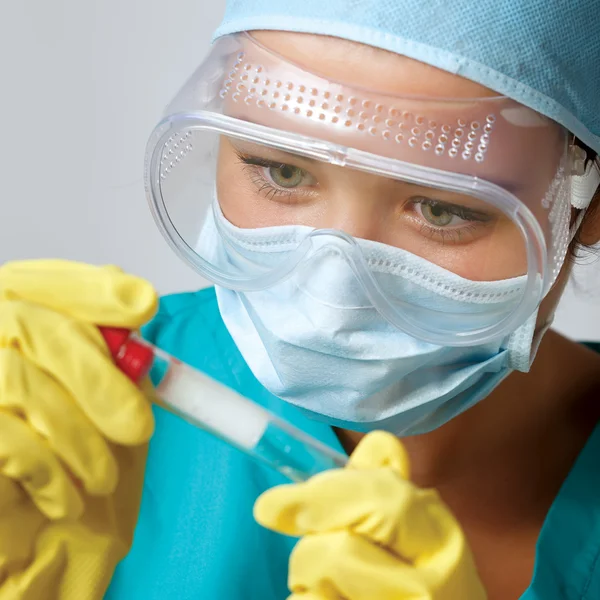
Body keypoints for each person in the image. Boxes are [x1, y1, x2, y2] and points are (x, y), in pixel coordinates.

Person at [1, 1, 600, 599]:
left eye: (442, 210)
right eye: (282, 173)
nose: (332, 298)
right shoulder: (66, 410)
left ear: (588, 206)